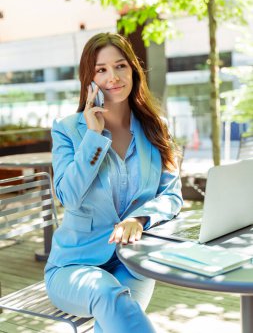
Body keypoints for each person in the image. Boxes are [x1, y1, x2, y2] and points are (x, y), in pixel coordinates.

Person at [44, 32, 183, 333]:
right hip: (73, 267)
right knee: (109, 296)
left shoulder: (156, 128)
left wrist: (139, 218)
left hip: (133, 260)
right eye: (101, 70)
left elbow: (172, 196)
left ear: (133, 69)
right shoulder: (68, 130)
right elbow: (68, 196)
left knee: (115, 320)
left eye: (120, 66)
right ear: (89, 78)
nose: (113, 77)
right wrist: (93, 138)